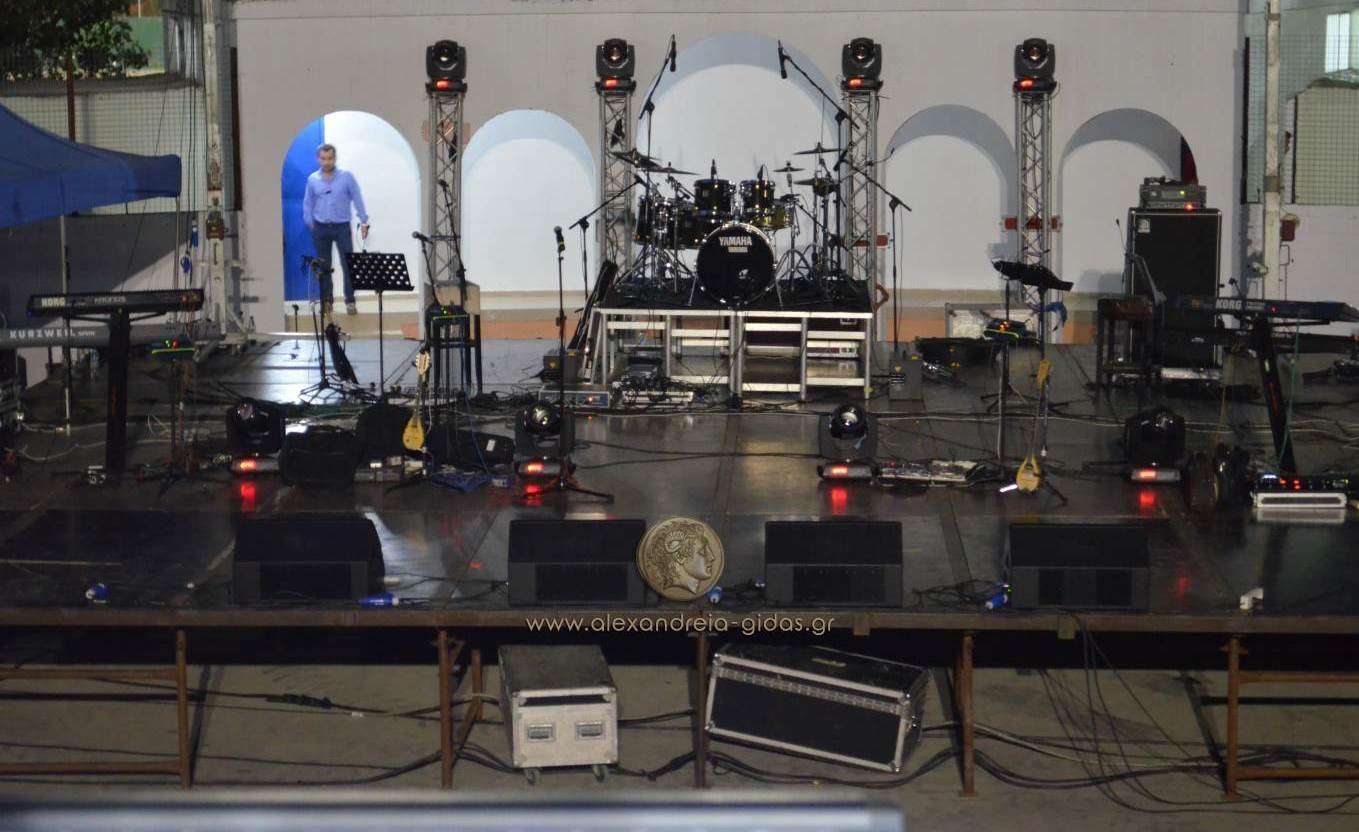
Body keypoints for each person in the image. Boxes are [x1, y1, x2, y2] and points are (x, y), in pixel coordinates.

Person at [302, 143, 369, 317]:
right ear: (318, 159)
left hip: (342, 227)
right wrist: (309, 221)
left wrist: (363, 220)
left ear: (335, 158)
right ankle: (327, 302)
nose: (327, 162)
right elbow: (308, 202)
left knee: (348, 265)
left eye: (330, 158)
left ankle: (350, 301)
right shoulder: (312, 179)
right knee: (324, 267)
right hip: (321, 228)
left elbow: (357, 198)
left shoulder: (346, 177)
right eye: (323, 158)